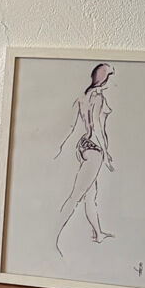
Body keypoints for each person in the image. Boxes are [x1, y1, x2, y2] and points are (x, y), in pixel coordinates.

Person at [55, 63, 116, 255]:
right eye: (110, 76)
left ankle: (98, 233)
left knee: (90, 196)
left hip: (83, 146)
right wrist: (105, 153)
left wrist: (62, 147)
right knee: (76, 196)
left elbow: (71, 126)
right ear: (104, 79)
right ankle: (52, 235)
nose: (111, 81)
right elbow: (97, 126)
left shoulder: (82, 97)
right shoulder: (98, 97)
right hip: (95, 149)